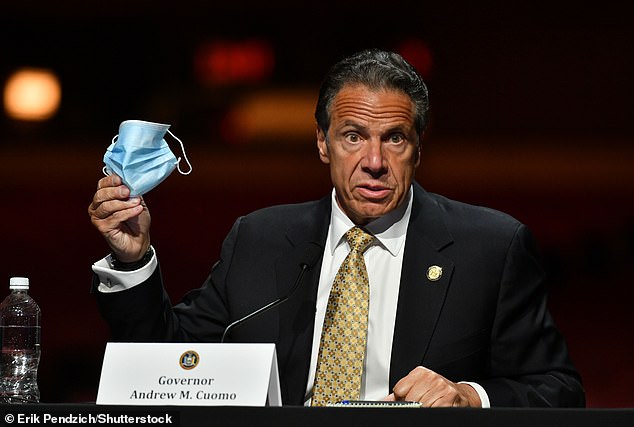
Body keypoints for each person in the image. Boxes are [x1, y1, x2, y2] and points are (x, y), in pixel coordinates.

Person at [88, 49, 585, 407]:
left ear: (419, 147)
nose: (374, 161)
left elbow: (558, 389)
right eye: (353, 137)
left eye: (394, 138)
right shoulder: (259, 240)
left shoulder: (491, 247)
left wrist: (469, 398)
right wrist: (133, 260)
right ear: (322, 143)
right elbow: (168, 367)